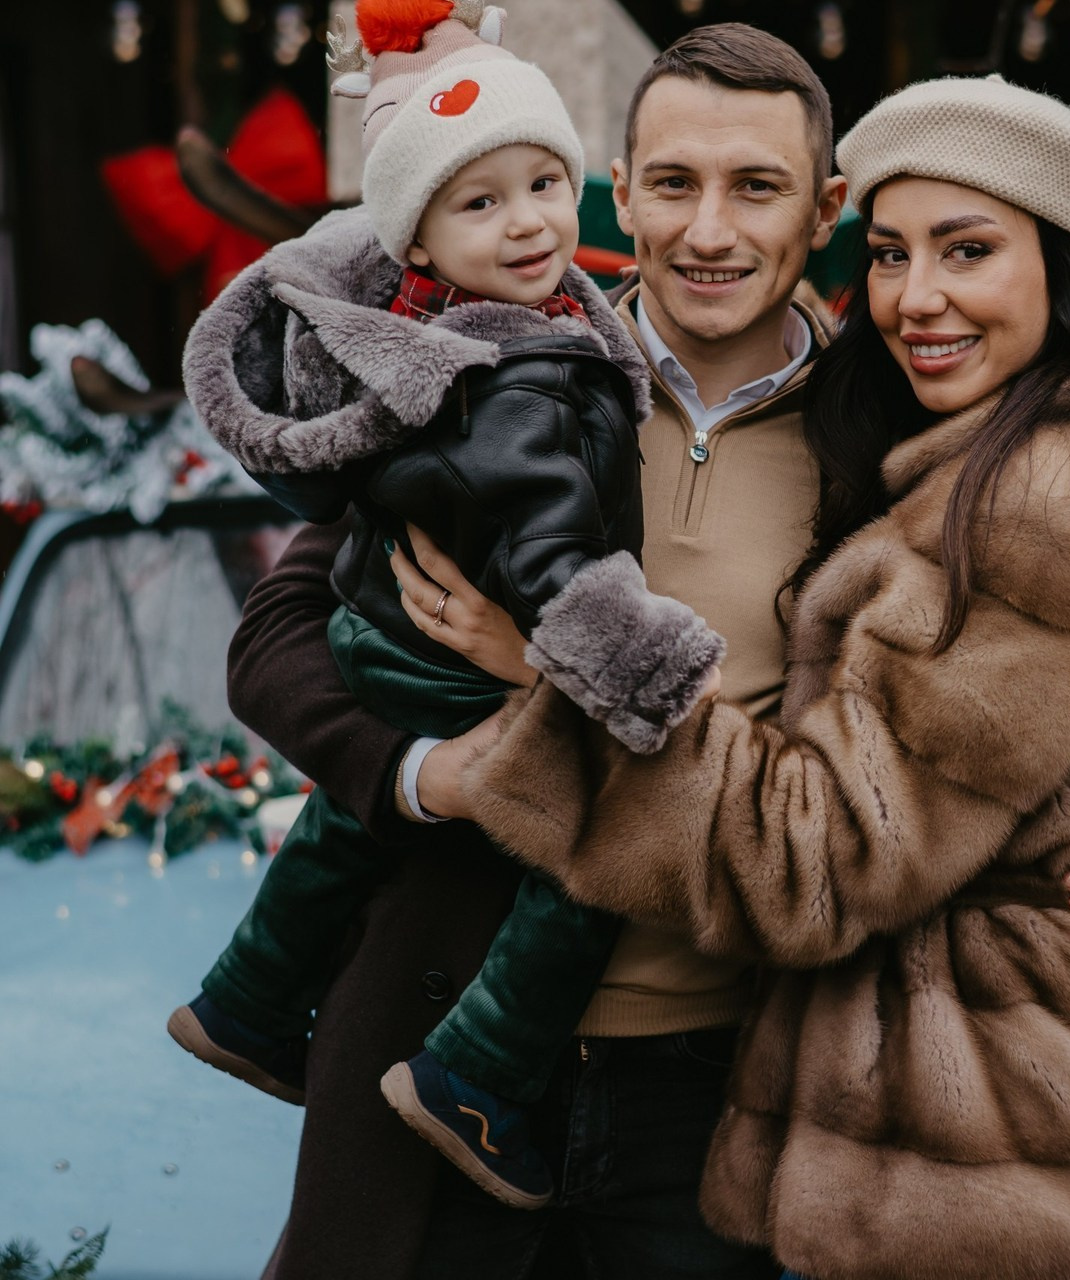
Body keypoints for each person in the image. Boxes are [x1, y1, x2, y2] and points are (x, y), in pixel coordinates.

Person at [229, 29, 1070, 1280]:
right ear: (620, 190)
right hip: (433, 1013)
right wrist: (425, 772)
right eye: (674, 183)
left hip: (719, 1074)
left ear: (824, 208)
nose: (708, 230)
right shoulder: (500, 372)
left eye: (756, 187)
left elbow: (1009, 714)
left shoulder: (897, 427)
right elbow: (278, 632)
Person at [167, 0, 723, 1213]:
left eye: (540, 183)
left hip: (393, 642)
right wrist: (469, 742)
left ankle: (247, 999)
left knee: (344, 828)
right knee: (596, 847)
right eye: (481, 204)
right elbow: (548, 553)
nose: (527, 220)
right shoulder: (521, 367)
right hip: (435, 800)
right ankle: (473, 1068)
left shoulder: (453, 339)